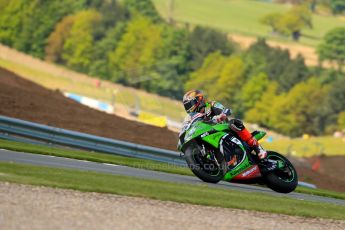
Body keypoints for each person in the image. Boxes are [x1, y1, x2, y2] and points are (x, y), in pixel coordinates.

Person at [182, 90, 275, 169]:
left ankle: (259, 149)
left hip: (224, 128)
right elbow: (186, 128)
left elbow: (225, 110)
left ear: (198, 100)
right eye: (186, 106)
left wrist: (222, 115)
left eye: (189, 104)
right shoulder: (190, 117)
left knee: (234, 123)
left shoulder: (211, 104)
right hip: (209, 134)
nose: (189, 107)